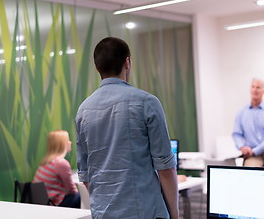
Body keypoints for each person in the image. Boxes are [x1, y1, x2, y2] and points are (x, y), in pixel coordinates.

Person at [75, 37, 179, 219]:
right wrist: (175, 214)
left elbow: (85, 176)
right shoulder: (147, 102)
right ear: (128, 62)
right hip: (145, 212)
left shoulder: (83, 111)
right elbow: (166, 170)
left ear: (97, 67)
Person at [232, 78, 264, 167]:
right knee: (251, 172)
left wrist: (255, 151)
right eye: (253, 87)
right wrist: (242, 147)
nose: (255, 90)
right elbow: (236, 134)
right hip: (251, 155)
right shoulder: (241, 112)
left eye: (258, 87)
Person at [33, 130, 80, 208]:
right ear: (62, 144)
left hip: (41, 202)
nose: (70, 142)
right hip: (52, 204)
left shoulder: (45, 161)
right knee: (78, 196)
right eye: (67, 140)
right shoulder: (61, 163)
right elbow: (72, 190)